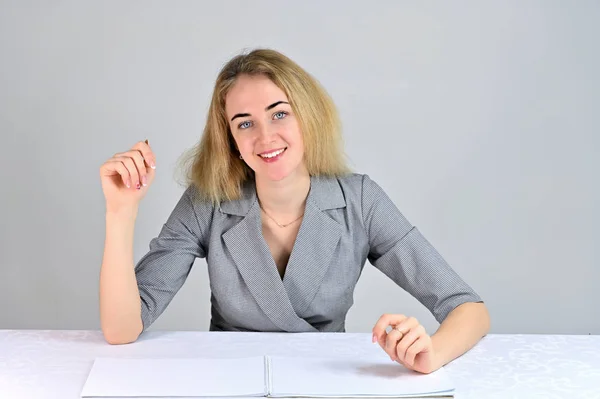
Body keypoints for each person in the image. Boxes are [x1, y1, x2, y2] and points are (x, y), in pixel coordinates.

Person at [99, 48, 490, 374]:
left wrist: (430, 354)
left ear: (307, 117)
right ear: (231, 140)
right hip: (230, 380)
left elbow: (469, 308)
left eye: (280, 113)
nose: (265, 136)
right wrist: (121, 213)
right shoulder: (208, 202)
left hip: (326, 383)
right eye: (245, 123)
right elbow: (122, 328)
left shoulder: (359, 199)